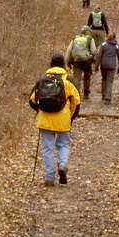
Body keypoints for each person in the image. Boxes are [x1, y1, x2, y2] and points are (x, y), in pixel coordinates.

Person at [29, 53, 81, 186]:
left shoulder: (42, 80)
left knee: (47, 149)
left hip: (45, 119)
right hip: (63, 119)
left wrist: (39, 110)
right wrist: (71, 116)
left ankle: (49, 178)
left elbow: (32, 99)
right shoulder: (68, 80)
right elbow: (77, 101)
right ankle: (62, 165)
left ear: (51, 64)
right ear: (63, 64)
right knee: (63, 144)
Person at [67, 27, 97, 99]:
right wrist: (93, 58)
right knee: (87, 78)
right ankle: (86, 94)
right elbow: (94, 51)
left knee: (77, 79)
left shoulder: (75, 38)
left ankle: (77, 95)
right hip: (87, 62)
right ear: (87, 32)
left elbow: (69, 51)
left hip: (77, 62)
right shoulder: (90, 39)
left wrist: (68, 61)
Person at [97, 33, 119, 104]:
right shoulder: (116, 46)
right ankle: (108, 98)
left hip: (103, 65)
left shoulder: (103, 44)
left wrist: (96, 66)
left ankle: (103, 94)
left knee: (104, 79)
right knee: (110, 81)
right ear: (114, 38)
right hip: (112, 66)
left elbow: (99, 56)